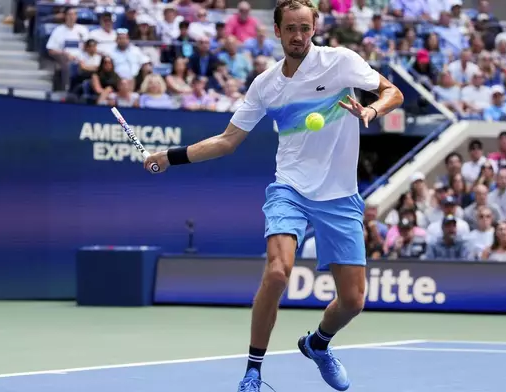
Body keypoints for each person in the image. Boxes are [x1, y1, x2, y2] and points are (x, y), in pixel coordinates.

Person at [142, 0, 404, 391]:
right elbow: (228, 141)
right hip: (290, 189)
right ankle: (253, 372)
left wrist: (373, 111)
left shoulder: (341, 61)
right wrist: (169, 157)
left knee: (352, 302)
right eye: (290, 29)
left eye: (305, 27)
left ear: (314, 27)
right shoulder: (266, 85)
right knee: (278, 271)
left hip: (340, 196)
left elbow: (392, 91)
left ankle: (318, 344)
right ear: (277, 32)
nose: (298, 36)